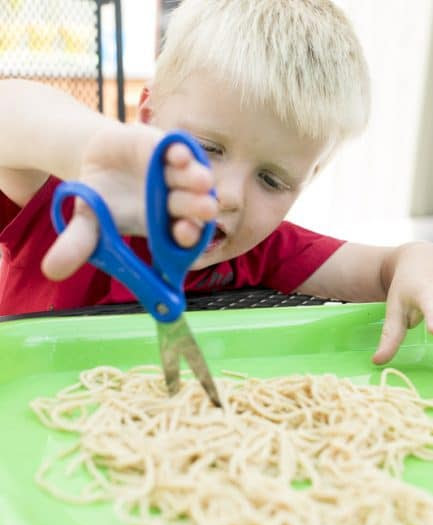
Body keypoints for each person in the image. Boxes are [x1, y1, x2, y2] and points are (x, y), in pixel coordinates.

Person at [1, 0, 433, 366]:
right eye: (207, 148)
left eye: (271, 179)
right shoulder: (70, 207)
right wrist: (84, 147)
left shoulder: (264, 252)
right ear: (149, 117)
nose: (227, 196)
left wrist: (416, 259)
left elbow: (382, 271)